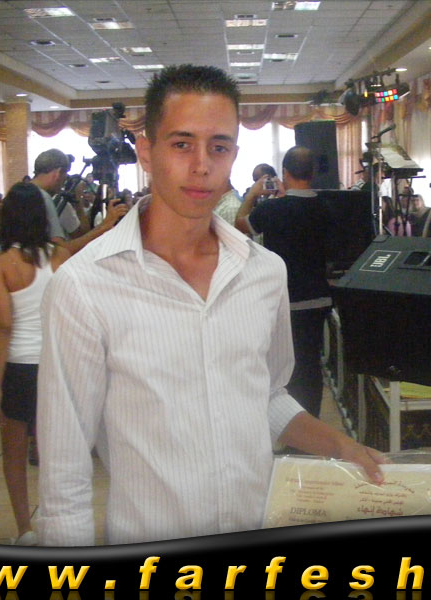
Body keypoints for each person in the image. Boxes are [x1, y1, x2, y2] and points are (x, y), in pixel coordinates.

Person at [36, 64, 384, 547]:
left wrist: (339, 445)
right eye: (182, 144)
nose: (202, 165)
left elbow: (266, 396)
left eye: (218, 147)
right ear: (147, 152)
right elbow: (64, 472)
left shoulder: (264, 272)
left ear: (234, 155)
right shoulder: (85, 285)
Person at [0, 182, 71, 546]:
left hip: (19, 365)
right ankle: (58, 524)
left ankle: (25, 530)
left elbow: (4, 325)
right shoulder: (61, 255)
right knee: (56, 454)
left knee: (14, 456)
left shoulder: (0, 263)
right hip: (56, 364)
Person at [236, 146, 333, 418]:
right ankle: (311, 421)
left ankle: (289, 426)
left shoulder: (273, 209)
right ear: (312, 173)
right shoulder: (327, 208)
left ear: (285, 173)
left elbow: (240, 225)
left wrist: (253, 195)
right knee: (311, 364)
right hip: (318, 298)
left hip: (285, 300)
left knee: (284, 368)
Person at [29, 150, 128, 255]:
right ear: (58, 173)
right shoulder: (44, 198)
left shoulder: (19, 192)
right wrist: (104, 226)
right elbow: (60, 251)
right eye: (65, 176)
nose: (64, 183)